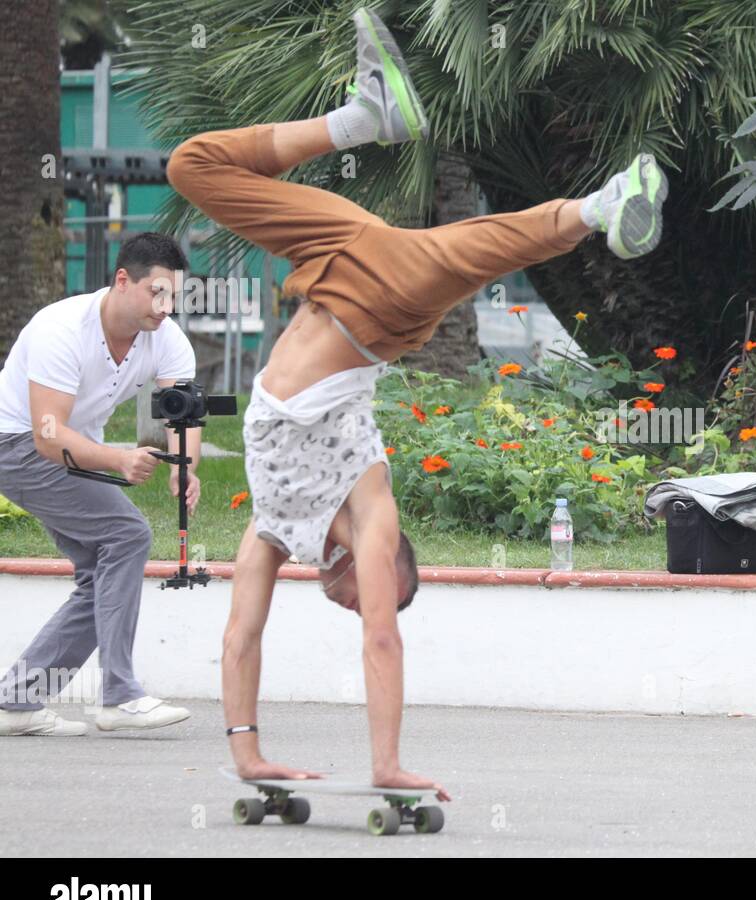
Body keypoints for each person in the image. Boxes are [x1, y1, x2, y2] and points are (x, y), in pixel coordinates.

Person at [165, 8, 667, 790]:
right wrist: (388, 765)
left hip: (334, 270)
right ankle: (382, 125)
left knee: (204, 172)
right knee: (198, 167)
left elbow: (240, 635)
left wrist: (245, 751)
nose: (359, 599)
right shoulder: (370, 502)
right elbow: (382, 640)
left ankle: (395, 126)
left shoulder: (274, 526)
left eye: (364, 596)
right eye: (380, 589)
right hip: (372, 303)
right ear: (386, 560)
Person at [0, 233, 200, 735]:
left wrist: (184, 465)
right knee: (126, 535)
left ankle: (18, 702)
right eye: (157, 293)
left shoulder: (166, 337)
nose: (166, 307)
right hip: (18, 445)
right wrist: (117, 459)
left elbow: (181, 413)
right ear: (121, 280)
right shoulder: (61, 328)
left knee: (102, 573)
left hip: (68, 451)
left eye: (174, 295)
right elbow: (48, 437)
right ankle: (120, 695)